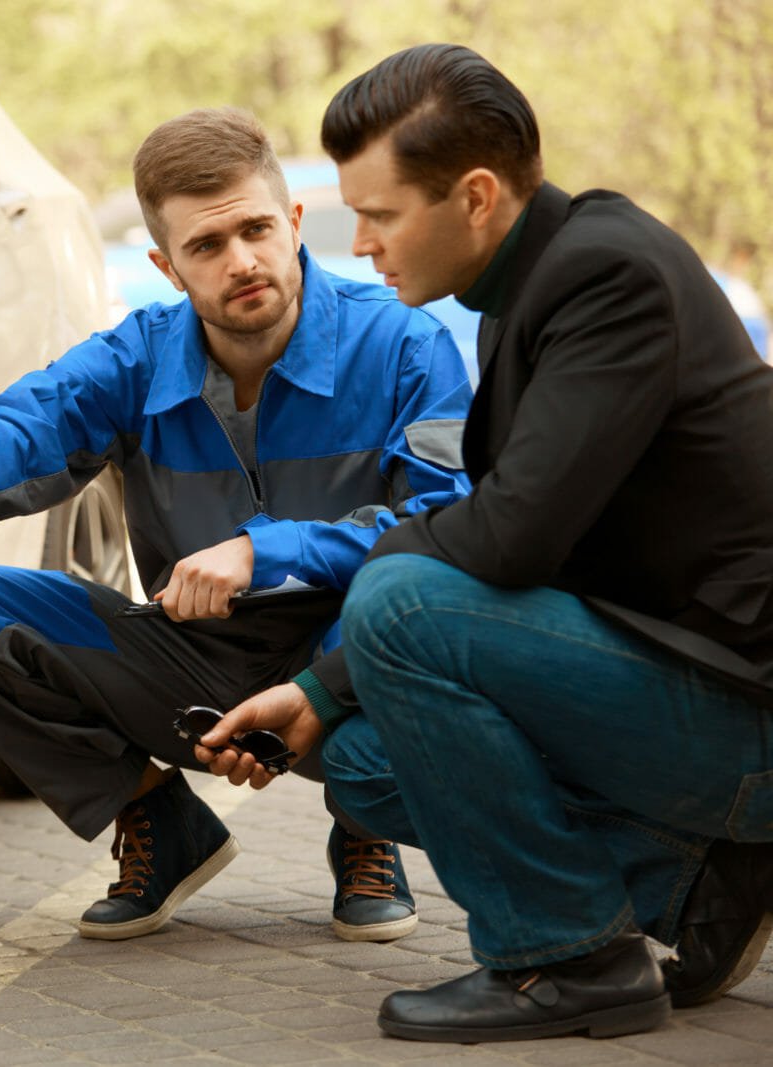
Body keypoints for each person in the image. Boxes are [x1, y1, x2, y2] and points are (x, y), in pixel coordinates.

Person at [0, 107, 473, 944]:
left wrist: (265, 549)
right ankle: (158, 819)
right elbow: (12, 428)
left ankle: (365, 825)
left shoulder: (407, 346)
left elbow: (445, 526)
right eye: (206, 246)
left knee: (400, 616)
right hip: (189, 658)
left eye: (257, 229)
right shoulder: (134, 359)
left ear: (293, 222)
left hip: (343, 662)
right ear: (166, 263)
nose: (243, 261)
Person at [196, 44, 773, 1043]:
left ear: (473, 196)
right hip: (683, 692)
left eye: (379, 215)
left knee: (397, 602)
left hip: (748, 713)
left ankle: (566, 956)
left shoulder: (606, 275)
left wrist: (363, 613)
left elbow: (510, 535)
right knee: (366, 758)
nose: (362, 244)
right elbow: (519, 532)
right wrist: (323, 692)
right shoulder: (539, 282)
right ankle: (698, 884)